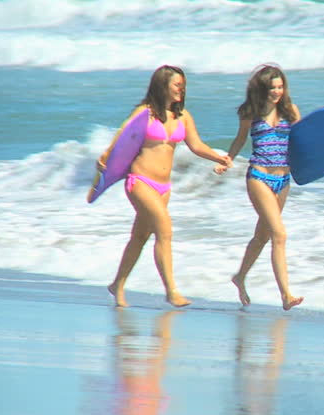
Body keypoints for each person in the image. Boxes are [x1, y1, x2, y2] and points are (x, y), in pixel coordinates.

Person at [97, 65, 233, 308]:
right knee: (165, 230)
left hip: (164, 187)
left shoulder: (183, 116)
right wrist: (106, 158)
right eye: (177, 84)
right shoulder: (145, 112)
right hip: (139, 181)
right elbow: (122, 135)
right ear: (163, 85)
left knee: (139, 237)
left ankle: (117, 284)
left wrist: (219, 157)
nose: (182, 88)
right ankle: (171, 291)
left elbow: (196, 145)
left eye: (183, 85)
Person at [214, 64, 307, 311]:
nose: (277, 92)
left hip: (283, 180)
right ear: (262, 88)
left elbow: (304, 142)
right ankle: (286, 295)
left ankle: (240, 276)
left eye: (280, 87)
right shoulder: (250, 112)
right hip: (259, 177)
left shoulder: (290, 111)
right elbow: (240, 139)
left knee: (262, 236)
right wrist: (228, 159)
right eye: (272, 88)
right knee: (279, 234)